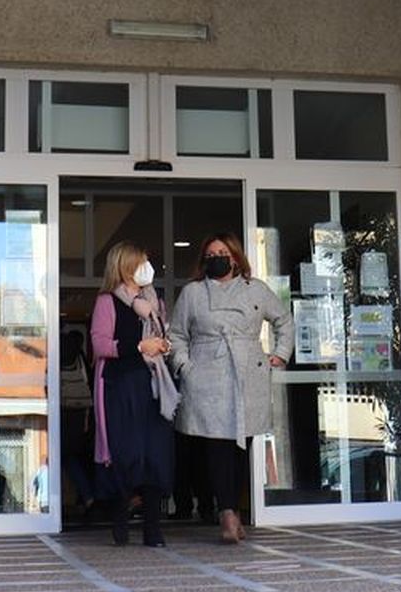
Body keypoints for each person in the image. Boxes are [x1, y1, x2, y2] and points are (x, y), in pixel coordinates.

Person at [169, 232, 293, 544]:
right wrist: (185, 366)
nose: (216, 259)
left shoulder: (257, 289)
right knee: (216, 446)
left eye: (222, 253)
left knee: (241, 446)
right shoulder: (192, 293)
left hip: (247, 374)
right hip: (206, 375)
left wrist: (280, 354)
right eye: (210, 255)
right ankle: (226, 513)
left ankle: (233, 510)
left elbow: (283, 320)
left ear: (235, 258)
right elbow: (177, 335)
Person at [90, 241, 175, 547]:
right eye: (141, 261)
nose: (147, 268)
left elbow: (163, 334)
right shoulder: (108, 301)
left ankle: (152, 527)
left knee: (155, 454)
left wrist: (163, 345)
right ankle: (121, 518)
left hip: (154, 384)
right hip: (121, 385)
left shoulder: (154, 300)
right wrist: (139, 347)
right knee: (126, 453)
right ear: (125, 266)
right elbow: (100, 344)